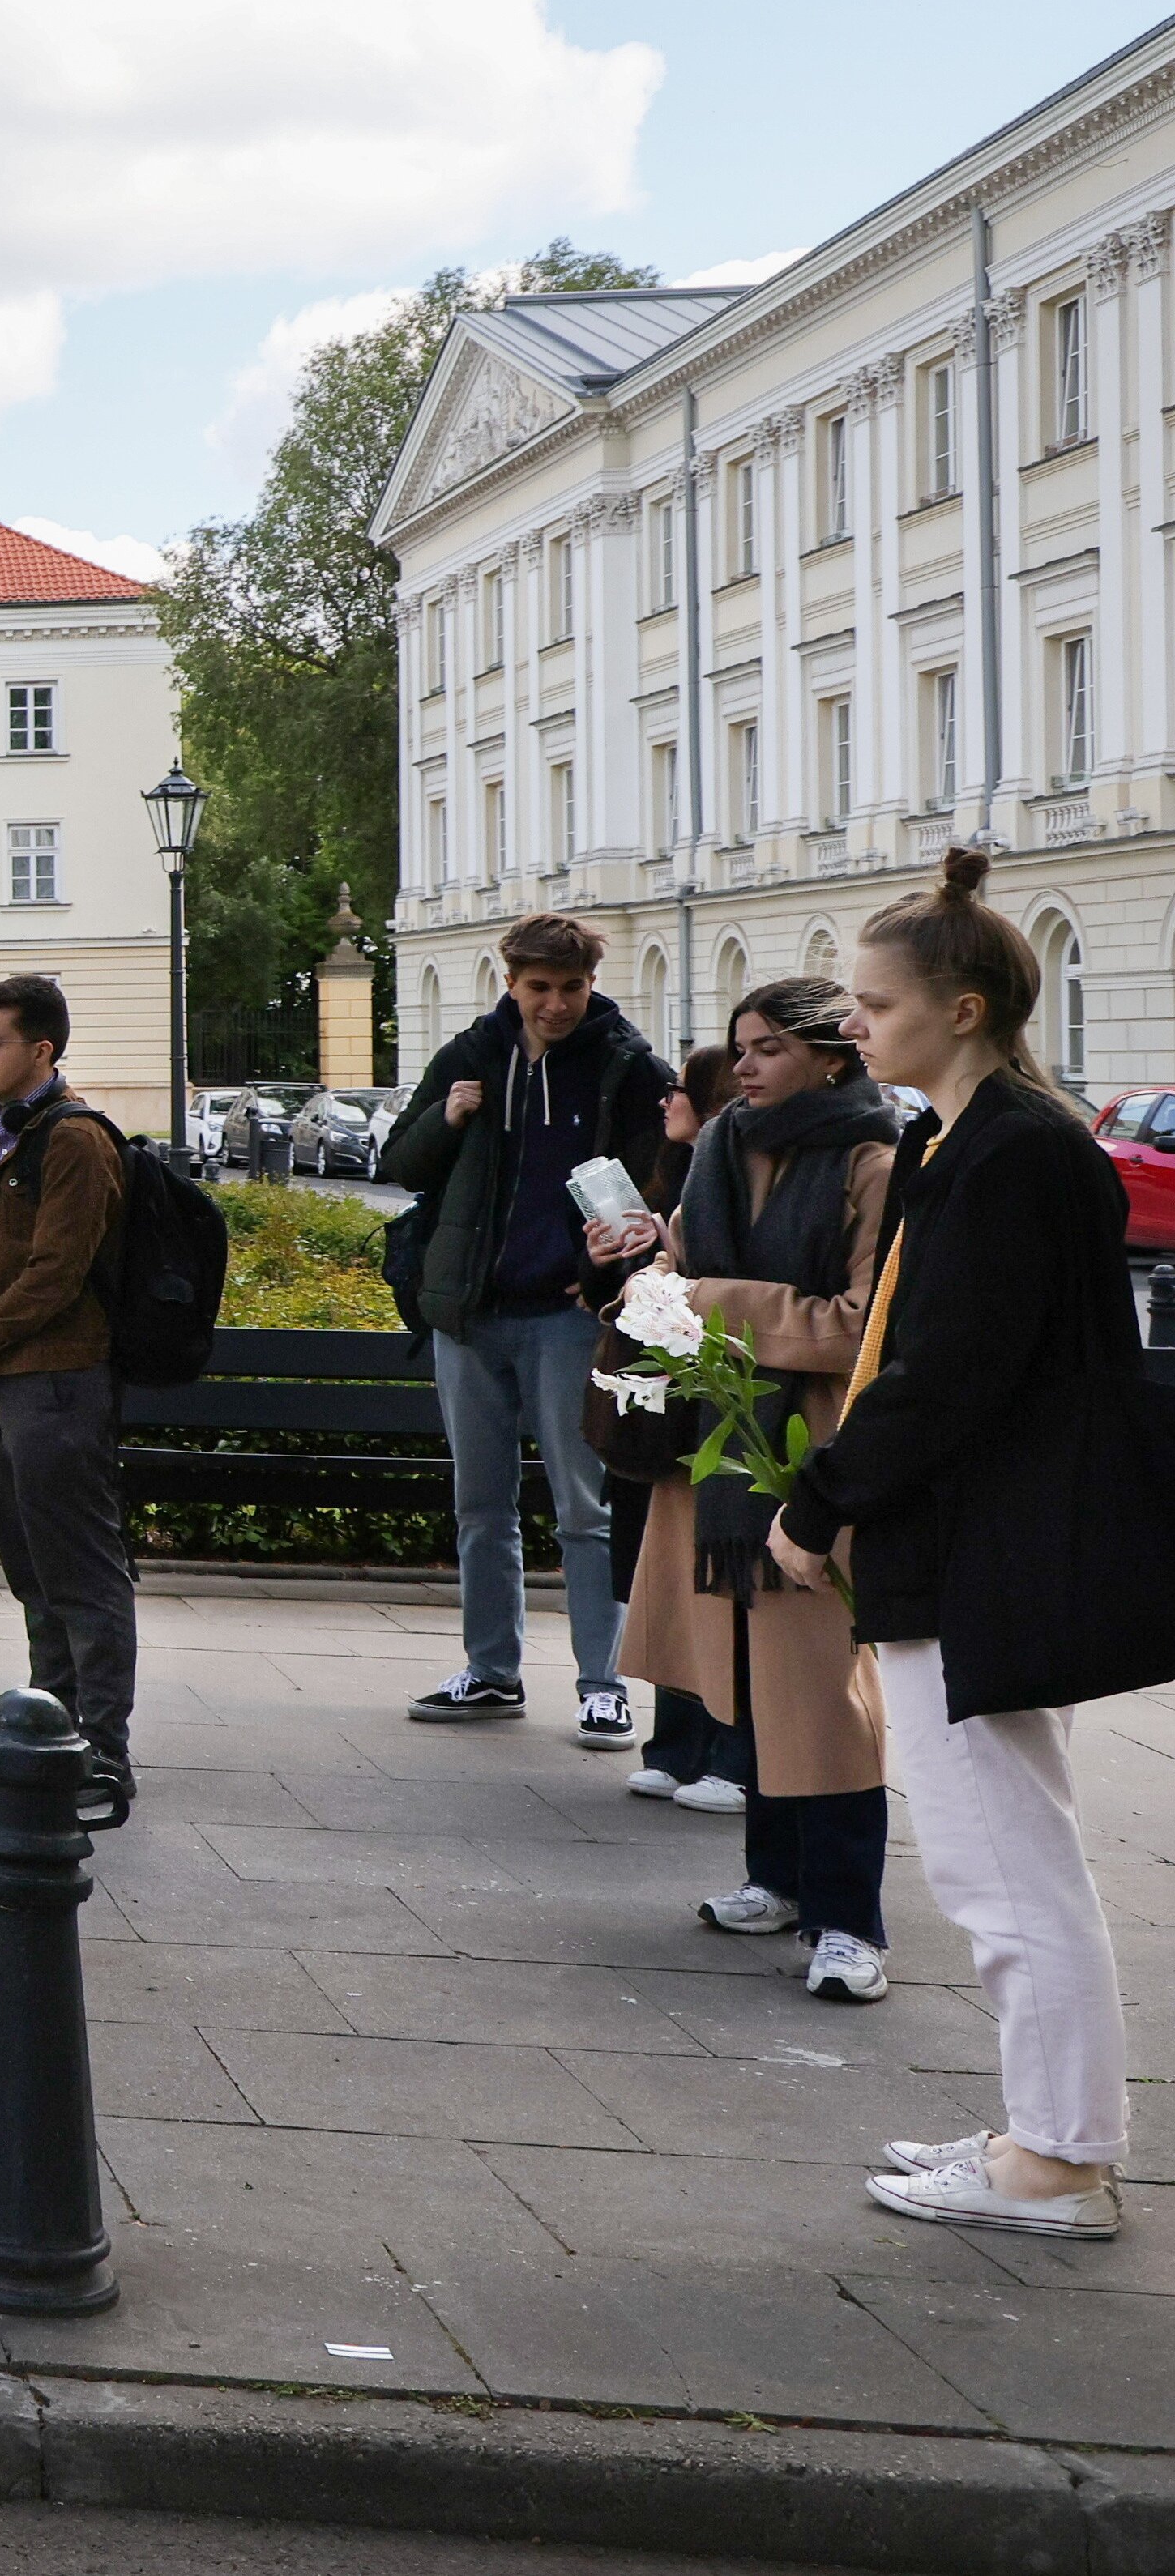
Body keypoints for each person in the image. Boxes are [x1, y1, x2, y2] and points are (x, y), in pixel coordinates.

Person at [771, 851, 1164, 2239]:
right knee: (1001, 1857)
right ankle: (1042, 2135)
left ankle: (1053, 2160)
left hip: (981, 1549)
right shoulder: (984, 1139)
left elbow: (942, 1372)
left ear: (961, 1003)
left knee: (1001, 1868)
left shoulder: (1006, 1151)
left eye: (873, 1003)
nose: (854, 1025)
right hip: (975, 1542)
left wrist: (816, 1498)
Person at [590, 981, 899, 2002]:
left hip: (810, 1453)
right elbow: (673, 1271)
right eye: (741, 1046)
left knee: (822, 1695)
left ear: (831, 1057)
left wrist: (705, 1302)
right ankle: (775, 1876)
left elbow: (860, 1321)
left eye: (769, 1047)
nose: (747, 1063)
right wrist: (636, 1265)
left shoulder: (873, 1159)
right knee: (747, 1673)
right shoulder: (720, 1148)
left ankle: (852, 1919)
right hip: (715, 1453)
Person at [378, 912, 675, 1745]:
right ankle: (491, 1672)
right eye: (539, 987)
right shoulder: (473, 1055)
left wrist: (612, 1278)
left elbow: (662, 1183)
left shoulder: (625, 1065)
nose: (555, 1004)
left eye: (570, 988)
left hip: (568, 1318)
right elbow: (401, 1163)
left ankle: (602, 1683)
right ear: (509, 980)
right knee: (481, 1504)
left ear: (590, 983)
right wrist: (450, 1115)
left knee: (585, 1508)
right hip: (473, 1314)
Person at [0, 975, 139, 1780]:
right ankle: (48, 1724)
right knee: (31, 1567)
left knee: (80, 1570)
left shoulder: (75, 1138)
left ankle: (104, 1749)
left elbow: (56, 1275)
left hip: (56, 1379)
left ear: (40, 1049)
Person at [617, 1043, 750, 1810]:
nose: (668, 1099)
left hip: (728, 1402)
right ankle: (676, 1743)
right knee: (673, 1580)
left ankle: (729, 1755)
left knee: (726, 1584)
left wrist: (670, 1277)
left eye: (683, 1089)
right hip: (674, 1407)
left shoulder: (732, 1174)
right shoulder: (681, 1175)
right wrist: (628, 1267)